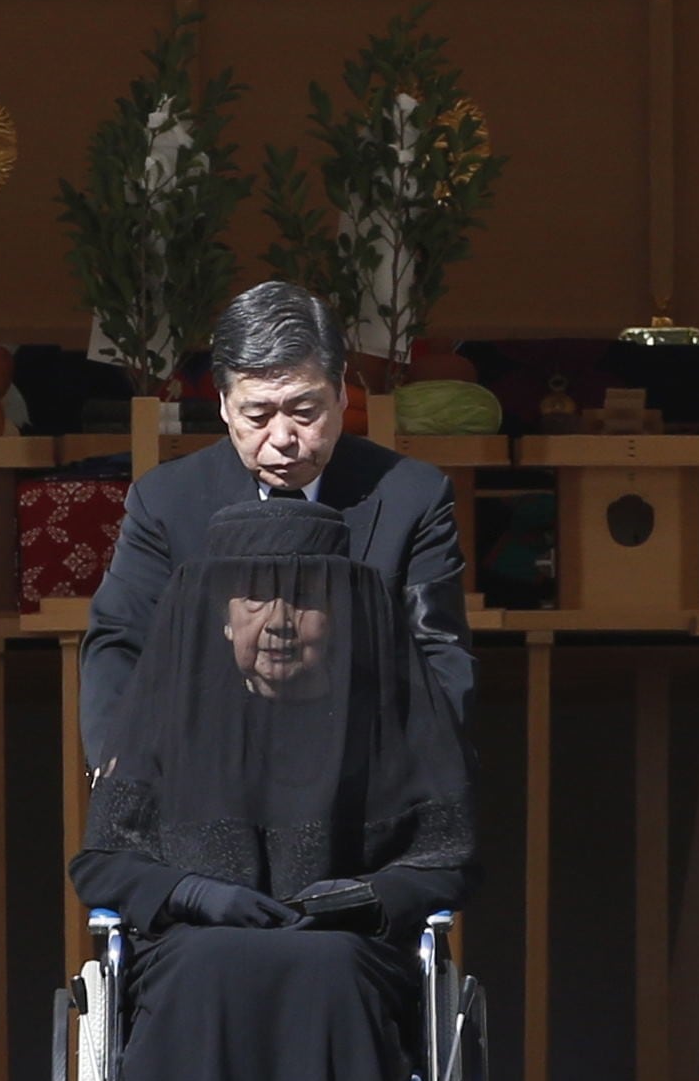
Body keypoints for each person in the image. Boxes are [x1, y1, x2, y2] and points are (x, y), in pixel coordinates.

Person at [70, 499, 477, 1081]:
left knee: (325, 968)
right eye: (254, 600)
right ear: (220, 615)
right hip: (197, 946)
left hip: (350, 946)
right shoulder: (168, 716)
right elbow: (101, 863)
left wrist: (370, 894)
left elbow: (448, 857)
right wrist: (188, 889)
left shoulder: (390, 718)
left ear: (343, 613)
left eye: (304, 603)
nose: (279, 622)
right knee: (213, 967)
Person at [80, 280, 474, 777]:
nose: (284, 438)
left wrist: (419, 771)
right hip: (207, 770)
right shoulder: (166, 502)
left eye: (305, 411)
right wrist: (120, 768)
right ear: (224, 404)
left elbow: (438, 650)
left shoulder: (411, 498)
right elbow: (120, 641)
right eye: (258, 414)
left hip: (365, 770)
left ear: (339, 391)